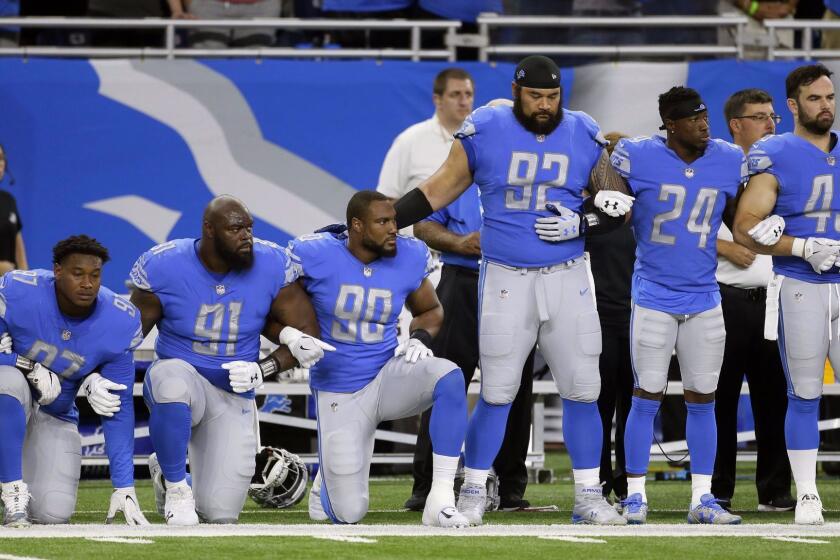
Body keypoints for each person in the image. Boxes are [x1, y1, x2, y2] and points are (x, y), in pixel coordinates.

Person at [392, 54, 633, 526]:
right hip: (505, 276)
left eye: (552, 96)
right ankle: (475, 491)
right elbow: (436, 192)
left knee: (584, 389)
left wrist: (583, 221)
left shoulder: (583, 131)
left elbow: (619, 204)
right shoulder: (486, 127)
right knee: (499, 391)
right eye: (536, 96)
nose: (545, 105)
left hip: (568, 274)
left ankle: (588, 494)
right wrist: (381, 221)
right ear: (516, 91)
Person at [129, 195, 332, 525]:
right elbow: (128, 337)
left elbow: (308, 333)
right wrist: (95, 373)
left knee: (220, 513)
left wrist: (263, 368)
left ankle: (165, 473)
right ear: (209, 230)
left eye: (249, 228)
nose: (246, 236)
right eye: (236, 228)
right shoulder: (165, 265)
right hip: (183, 378)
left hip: (233, 391)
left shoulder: (270, 263)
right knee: (171, 380)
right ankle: (177, 486)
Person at [292, 191, 470, 527]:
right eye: (383, 222)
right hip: (339, 390)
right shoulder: (314, 254)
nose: (394, 229)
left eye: (394, 220)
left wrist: (419, 337)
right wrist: (291, 337)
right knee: (348, 514)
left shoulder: (408, 255)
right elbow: (278, 303)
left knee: (449, 376)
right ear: (356, 226)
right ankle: (326, 481)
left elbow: (430, 310)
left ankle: (441, 498)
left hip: (387, 375)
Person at [611, 86, 744, 525]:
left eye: (706, 116)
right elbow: (603, 159)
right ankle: (634, 495)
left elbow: (741, 217)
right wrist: (605, 195)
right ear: (671, 123)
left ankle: (702, 499)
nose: (704, 125)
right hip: (653, 293)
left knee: (703, 399)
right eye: (693, 118)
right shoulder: (638, 154)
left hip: (704, 295)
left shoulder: (727, 158)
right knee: (644, 396)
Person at [733, 63, 840, 525]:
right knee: (804, 391)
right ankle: (808, 493)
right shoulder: (773, 152)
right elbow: (744, 228)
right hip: (801, 284)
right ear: (794, 105)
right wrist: (799, 245)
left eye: (830, 96)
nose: (826, 106)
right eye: (815, 98)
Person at [0, 235, 148, 526]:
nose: (87, 284)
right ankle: (12, 490)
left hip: (55, 415)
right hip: (10, 401)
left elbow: (117, 406)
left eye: (95, 275)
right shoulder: (19, 291)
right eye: (77, 274)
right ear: (57, 271)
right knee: (8, 381)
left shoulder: (119, 320)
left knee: (53, 514)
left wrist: (124, 486)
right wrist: (25, 364)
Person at [713, 88, 794, 513]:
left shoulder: (785, 168)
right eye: (760, 116)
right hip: (723, 297)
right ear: (736, 124)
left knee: (776, 397)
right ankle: (717, 489)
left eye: (773, 117)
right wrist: (722, 247)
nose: (769, 123)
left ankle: (776, 490)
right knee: (718, 397)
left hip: (776, 296)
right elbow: (677, 225)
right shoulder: (714, 166)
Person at [586, 131, 636, 507]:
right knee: (600, 403)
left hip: (638, 316)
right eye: (611, 156)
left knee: (635, 405)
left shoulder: (643, 209)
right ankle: (600, 480)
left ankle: (630, 481)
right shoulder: (587, 209)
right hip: (599, 317)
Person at [377, 68, 475, 202]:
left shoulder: (482, 141)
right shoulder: (409, 141)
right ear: (437, 100)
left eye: (468, 94)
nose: (464, 102)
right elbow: (386, 201)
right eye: (455, 94)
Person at [0, 144, 27, 275]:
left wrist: (26, 278)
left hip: (7, 289)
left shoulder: (9, 200)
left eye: (1, 158)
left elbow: (18, 245)